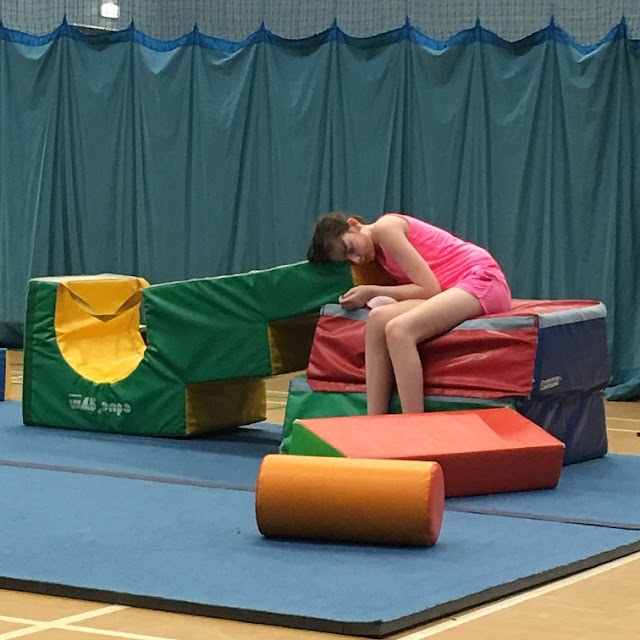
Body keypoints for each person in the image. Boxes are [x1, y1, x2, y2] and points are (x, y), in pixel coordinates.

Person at [307, 211, 512, 415]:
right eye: (349, 260)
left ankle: (413, 422)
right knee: (377, 320)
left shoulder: (385, 228)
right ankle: (373, 419)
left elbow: (429, 289)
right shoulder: (376, 253)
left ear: (354, 224)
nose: (357, 259)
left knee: (399, 330)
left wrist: (371, 290)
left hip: (481, 279)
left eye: (351, 248)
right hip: (450, 290)